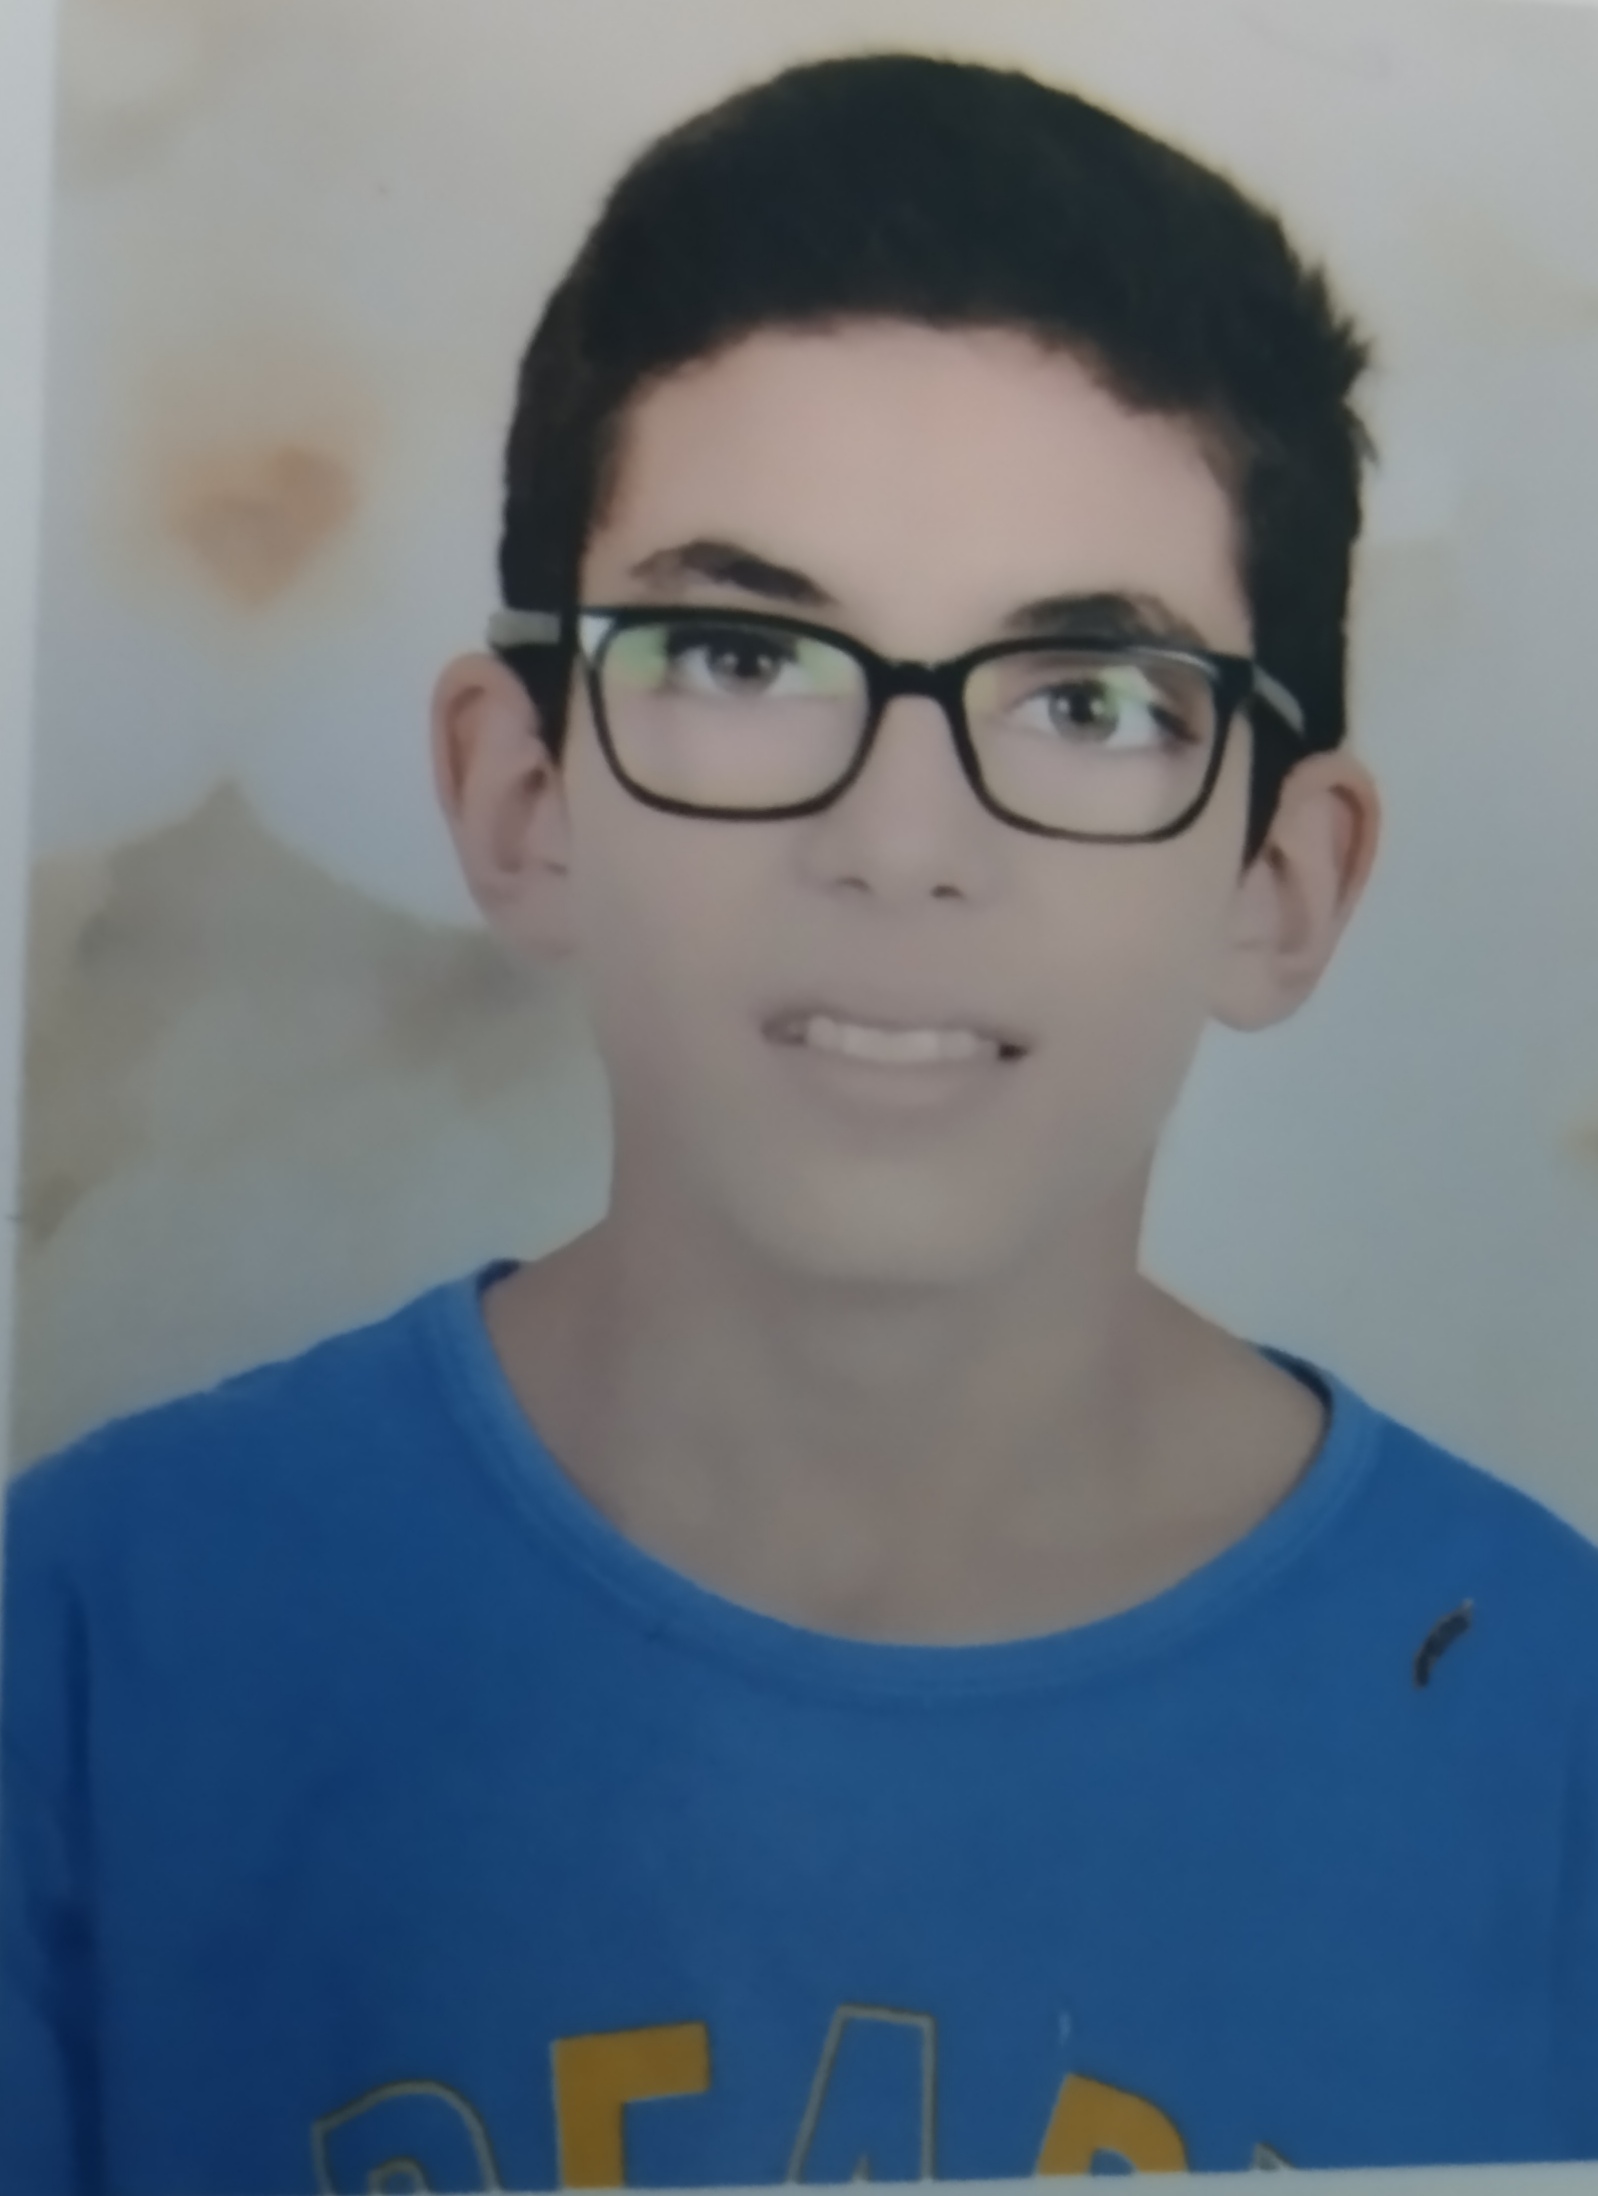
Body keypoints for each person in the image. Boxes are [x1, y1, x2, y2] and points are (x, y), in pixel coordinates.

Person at [3, 49, 1595, 2195]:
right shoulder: (81, 1668)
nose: (899, 844)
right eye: (743, 660)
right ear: (520, 798)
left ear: (1282, 883)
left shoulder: (1548, 1743)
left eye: (1089, 700)